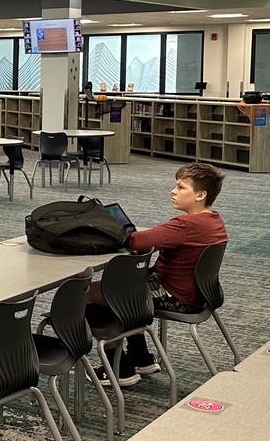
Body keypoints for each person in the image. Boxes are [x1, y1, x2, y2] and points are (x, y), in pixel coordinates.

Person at [91, 162, 227, 387]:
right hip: (195, 293)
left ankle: (117, 368)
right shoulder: (213, 220)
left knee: (95, 294)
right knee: (126, 286)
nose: (173, 192)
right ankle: (140, 356)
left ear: (200, 194)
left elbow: (137, 241)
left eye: (181, 187)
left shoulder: (186, 225)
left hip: (174, 296)